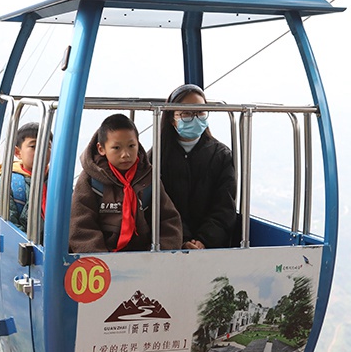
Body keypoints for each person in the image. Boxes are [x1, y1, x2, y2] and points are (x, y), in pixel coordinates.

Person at [69, 113, 182, 252]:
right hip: (102, 259)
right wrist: (101, 260)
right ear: (101, 149)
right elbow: (80, 226)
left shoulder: (148, 178)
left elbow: (169, 221)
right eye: (116, 148)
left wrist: (159, 255)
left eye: (131, 146)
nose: (125, 154)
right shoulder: (90, 179)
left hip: (144, 257)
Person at [157, 84, 237, 249]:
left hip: (211, 247)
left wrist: (204, 241)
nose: (195, 118)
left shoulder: (221, 155)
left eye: (200, 112)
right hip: (169, 244)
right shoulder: (158, 156)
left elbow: (224, 206)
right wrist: (182, 241)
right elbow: (157, 207)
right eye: (186, 113)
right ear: (172, 118)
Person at [0, 122, 51, 232]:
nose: (42, 151)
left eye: (48, 146)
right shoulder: (8, 184)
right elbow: (10, 227)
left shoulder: (57, 181)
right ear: (18, 152)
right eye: (34, 146)